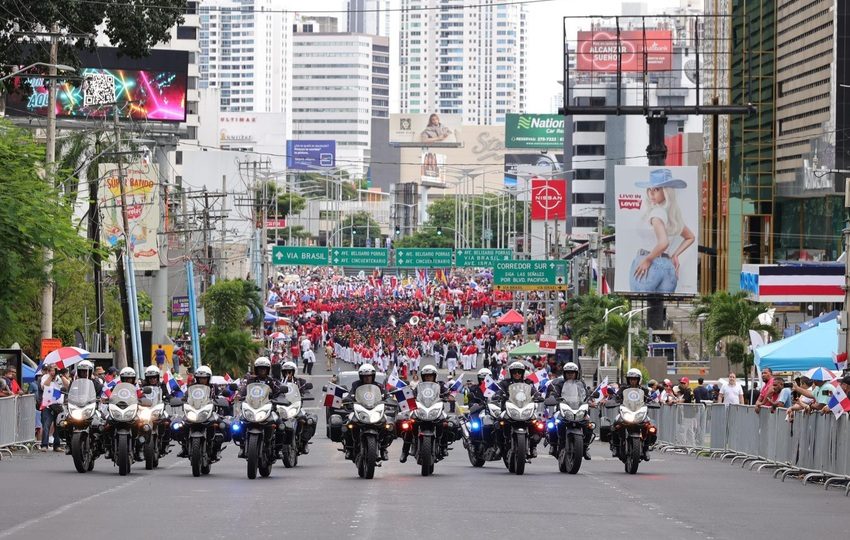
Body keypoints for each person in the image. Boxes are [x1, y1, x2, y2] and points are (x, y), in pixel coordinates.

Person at [629, 168, 696, 293]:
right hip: (667, 267)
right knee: (660, 308)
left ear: (666, 191)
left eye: (657, 189)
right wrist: (675, 255)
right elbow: (690, 237)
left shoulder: (657, 213)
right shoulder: (672, 215)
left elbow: (663, 243)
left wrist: (648, 259)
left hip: (649, 263)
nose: (651, 193)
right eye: (650, 189)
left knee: (643, 308)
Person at [546, 362, 593, 460]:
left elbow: (586, 394)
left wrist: (590, 399)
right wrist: (553, 398)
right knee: (551, 422)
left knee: (589, 424)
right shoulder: (559, 383)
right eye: (568, 373)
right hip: (563, 409)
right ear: (564, 373)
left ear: (576, 373)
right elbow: (554, 393)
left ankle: (584, 447)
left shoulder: (581, 384)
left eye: (572, 373)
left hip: (578, 409)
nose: (570, 374)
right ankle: (554, 445)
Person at [495, 361, 541, 458]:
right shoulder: (505, 383)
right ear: (511, 373)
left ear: (522, 373)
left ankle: (533, 446)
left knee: (537, 423)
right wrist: (498, 395)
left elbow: (534, 391)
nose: (517, 374)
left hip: (525, 409)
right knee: (498, 423)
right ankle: (500, 447)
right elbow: (499, 390)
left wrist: (538, 396)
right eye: (515, 372)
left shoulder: (527, 383)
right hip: (508, 409)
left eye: (519, 372)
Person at [280, 361, 317, 455]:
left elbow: (306, 391)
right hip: (281, 408)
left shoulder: (300, 381)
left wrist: (305, 394)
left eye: (290, 371)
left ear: (294, 371)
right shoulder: (278, 382)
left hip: (296, 406)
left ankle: (304, 442)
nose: (288, 373)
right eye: (285, 371)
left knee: (308, 420)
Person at [40, 365, 70, 452]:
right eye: (52, 370)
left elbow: (68, 386)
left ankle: (57, 445)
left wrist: (60, 375)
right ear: (49, 371)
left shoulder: (60, 377)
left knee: (58, 426)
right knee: (46, 425)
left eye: (55, 370)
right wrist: (51, 376)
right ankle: (44, 445)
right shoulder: (45, 377)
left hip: (58, 405)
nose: (54, 372)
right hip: (48, 405)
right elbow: (44, 386)